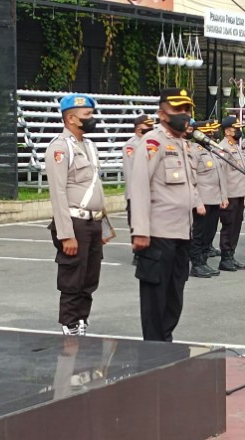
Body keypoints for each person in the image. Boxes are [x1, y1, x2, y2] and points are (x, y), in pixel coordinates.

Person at [129, 88, 201, 342]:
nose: (184, 115)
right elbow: (138, 186)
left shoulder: (184, 145)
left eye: (187, 110)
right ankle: (154, 348)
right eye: (177, 110)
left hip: (182, 232)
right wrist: (140, 230)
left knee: (175, 295)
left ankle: (165, 340)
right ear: (162, 114)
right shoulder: (153, 143)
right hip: (158, 234)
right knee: (155, 297)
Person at [45, 93, 108, 336]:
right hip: (74, 223)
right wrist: (65, 234)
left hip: (92, 222)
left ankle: (82, 319)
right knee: (73, 277)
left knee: (90, 277)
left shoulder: (89, 146)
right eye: (87, 115)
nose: (92, 119)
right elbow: (58, 193)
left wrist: (103, 226)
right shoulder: (60, 148)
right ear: (71, 118)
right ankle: (69, 323)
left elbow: (95, 188)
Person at [189, 120, 228, 278]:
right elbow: (192, 180)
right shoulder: (194, 150)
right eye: (208, 132)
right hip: (202, 201)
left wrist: (223, 197)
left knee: (210, 233)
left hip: (215, 199)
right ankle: (197, 264)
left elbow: (220, 177)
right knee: (199, 233)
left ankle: (204, 261)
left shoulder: (212, 150)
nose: (212, 135)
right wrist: (197, 202)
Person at [217, 116, 245, 271]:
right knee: (229, 226)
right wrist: (223, 196)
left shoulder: (237, 146)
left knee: (237, 225)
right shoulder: (223, 148)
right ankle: (225, 257)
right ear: (227, 130)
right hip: (230, 194)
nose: (239, 131)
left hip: (239, 193)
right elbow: (221, 175)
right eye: (236, 128)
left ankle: (232, 255)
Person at [122, 115, 155, 265]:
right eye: (146, 126)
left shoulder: (150, 143)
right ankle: (138, 254)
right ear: (138, 128)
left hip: (150, 192)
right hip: (135, 193)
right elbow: (132, 171)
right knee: (135, 222)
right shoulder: (131, 145)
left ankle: (148, 251)